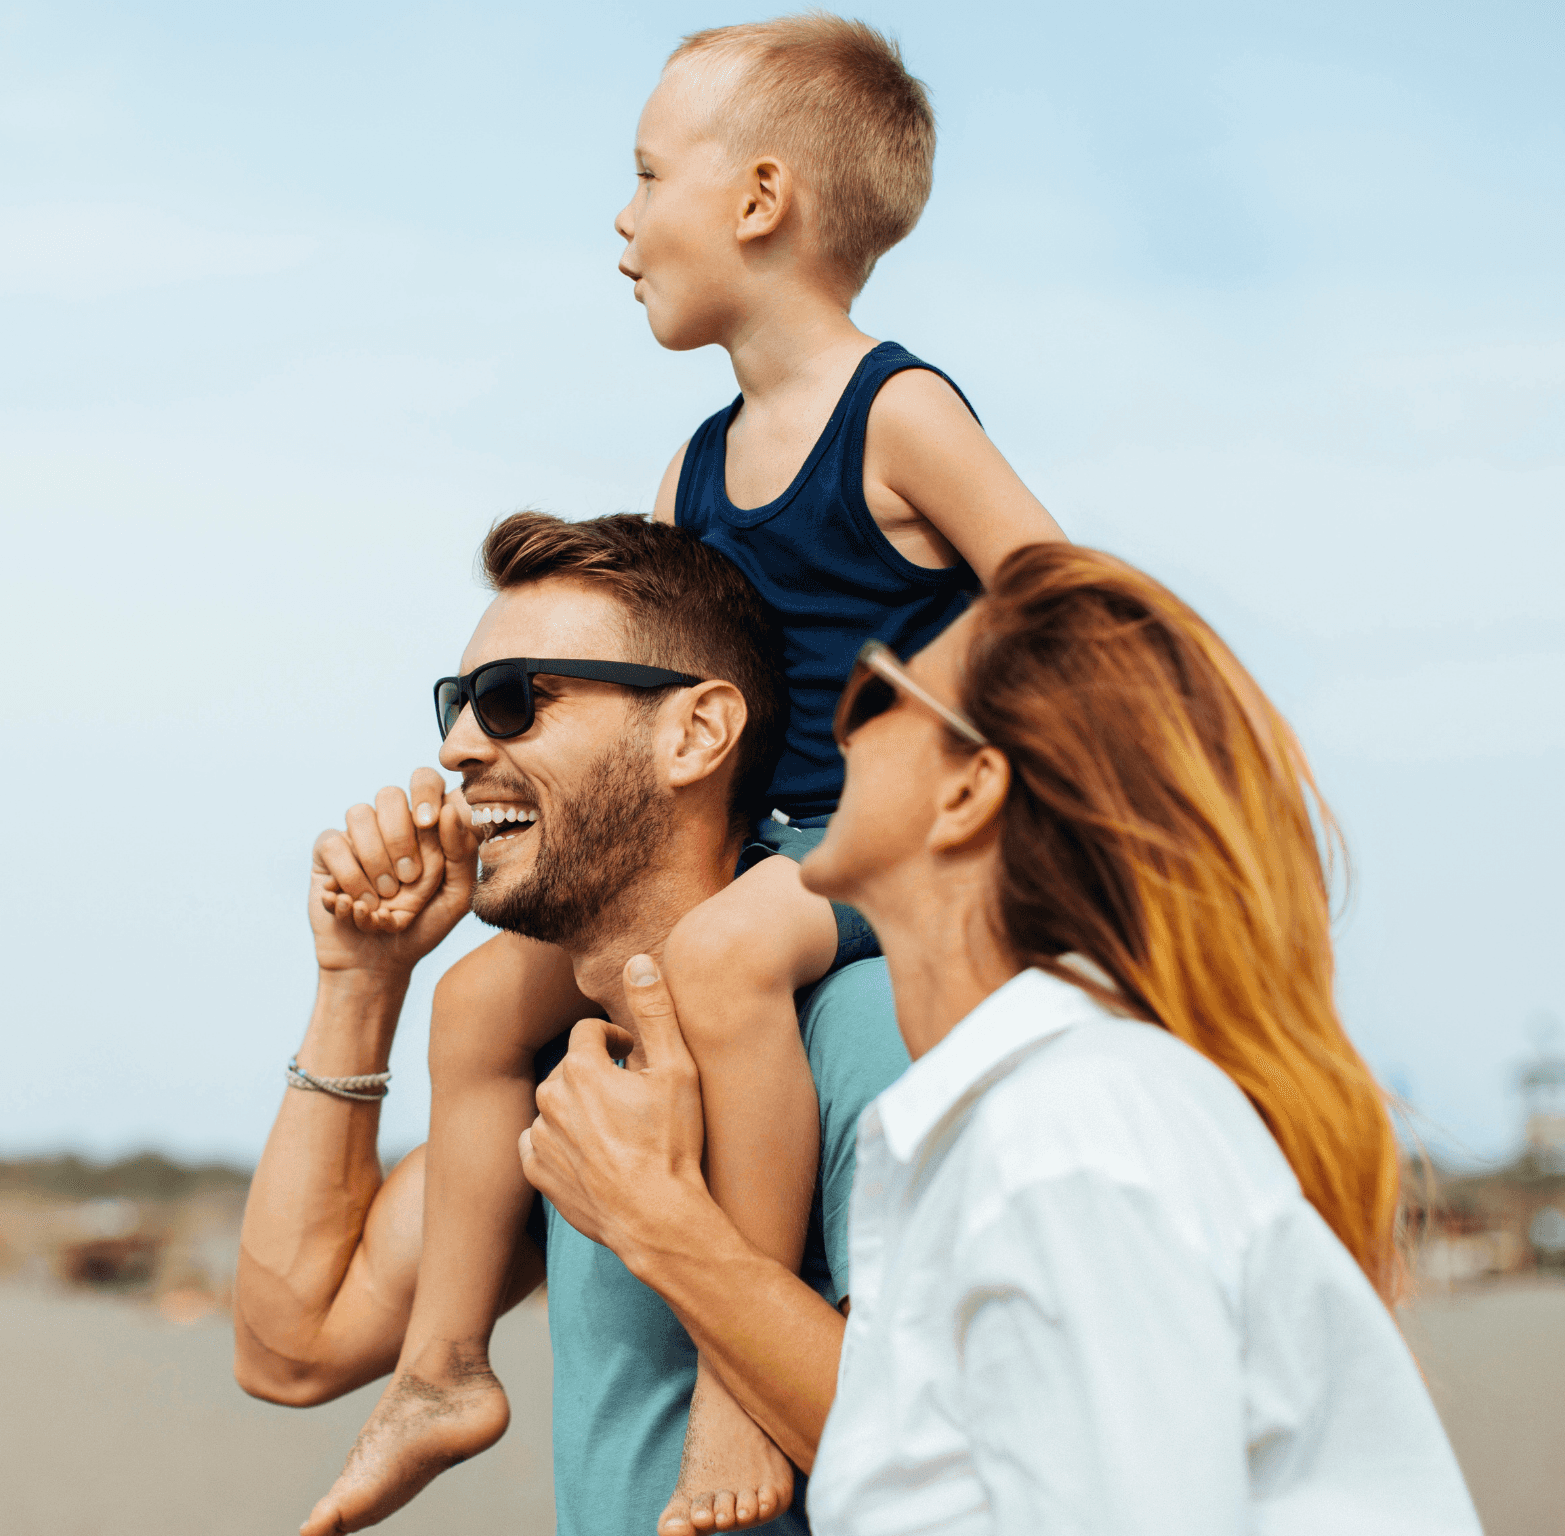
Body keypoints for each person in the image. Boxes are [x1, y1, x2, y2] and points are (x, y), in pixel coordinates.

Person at [350, 17, 1067, 1534]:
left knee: (730, 960)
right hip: (762, 841)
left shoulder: (899, 411)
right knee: (482, 998)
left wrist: (909, 703)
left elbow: (1060, 595)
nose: (620, 216)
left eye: (645, 172)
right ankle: (441, 1369)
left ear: (758, 200)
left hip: (884, 845)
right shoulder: (696, 459)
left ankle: (745, 1390)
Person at [521, 543, 1485, 1533]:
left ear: (966, 790)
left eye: (871, 697)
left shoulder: (1070, 1137)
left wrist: (659, 1223)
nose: (826, 739)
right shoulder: (1020, 1119)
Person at [233, 513, 911, 1536]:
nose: (459, 747)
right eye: (457, 704)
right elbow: (291, 1346)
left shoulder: (859, 1027)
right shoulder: (559, 1070)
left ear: (694, 734)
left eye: (514, 701)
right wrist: (359, 986)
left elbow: (963, 1460)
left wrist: (655, 1221)